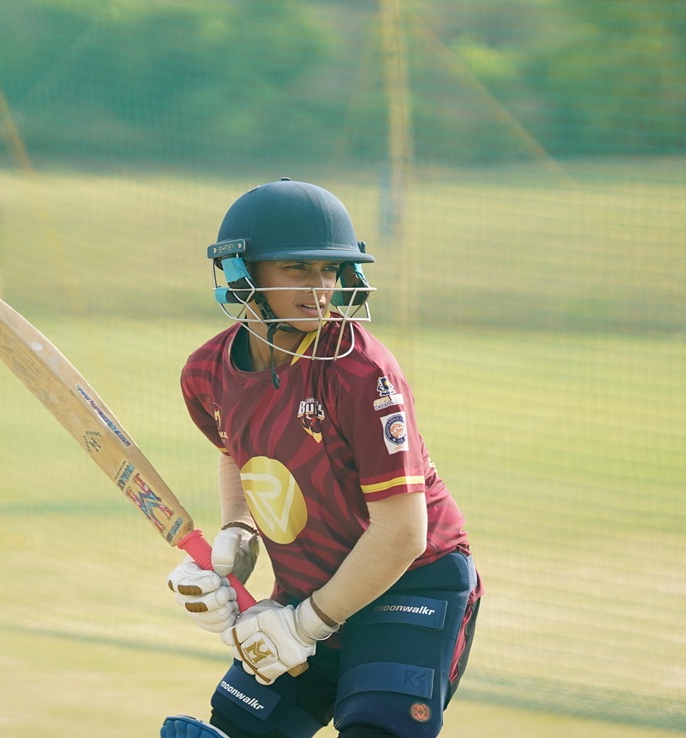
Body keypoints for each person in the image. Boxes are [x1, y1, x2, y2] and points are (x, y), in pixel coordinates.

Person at [164, 178, 482, 738]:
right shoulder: (206, 373)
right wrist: (238, 532)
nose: (319, 289)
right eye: (296, 269)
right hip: (310, 585)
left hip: (411, 581)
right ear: (241, 274)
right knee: (232, 729)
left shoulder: (362, 372)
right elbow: (235, 451)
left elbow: (403, 534)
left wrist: (305, 625)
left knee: (378, 729)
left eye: (329, 270)